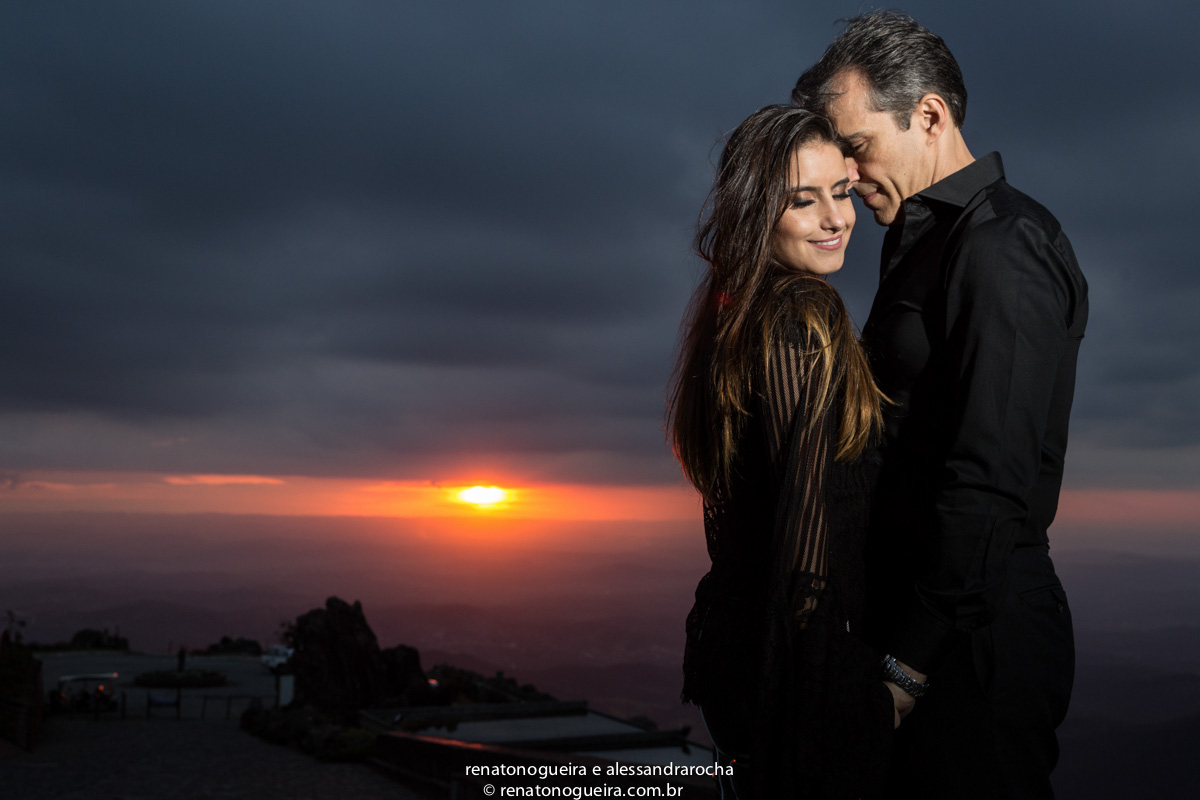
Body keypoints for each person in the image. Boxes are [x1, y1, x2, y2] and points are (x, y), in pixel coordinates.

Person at [793, 11, 1089, 799]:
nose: (849, 174)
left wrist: (907, 667)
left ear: (929, 114)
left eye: (856, 147)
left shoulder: (1004, 246)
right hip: (918, 626)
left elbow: (990, 479)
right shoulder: (922, 241)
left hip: (971, 647)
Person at [672, 105, 894, 798]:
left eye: (841, 191)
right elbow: (804, 555)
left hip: (735, 658)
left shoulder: (733, 313)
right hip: (793, 687)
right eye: (803, 200)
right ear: (758, 211)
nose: (836, 218)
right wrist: (859, 704)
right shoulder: (806, 314)